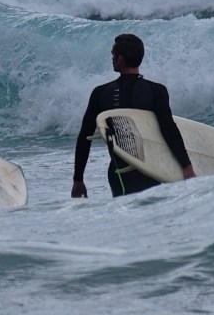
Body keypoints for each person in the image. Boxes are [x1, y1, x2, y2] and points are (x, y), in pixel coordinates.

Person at [72, 34, 195, 198]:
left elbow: (84, 136)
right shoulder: (156, 91)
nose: (111, 59)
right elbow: (168, 130)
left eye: (112, 55)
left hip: (120, 172)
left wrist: (78, 179)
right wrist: (186, 166)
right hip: (153, 170)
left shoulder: (101, 93)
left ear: (120, 59)